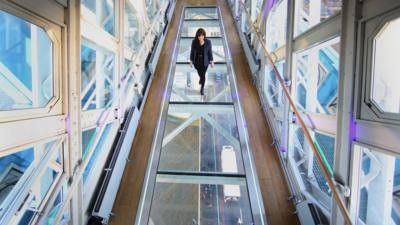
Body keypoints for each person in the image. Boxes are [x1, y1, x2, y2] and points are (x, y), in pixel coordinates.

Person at [189, 28, 214, 96]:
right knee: (200, 73)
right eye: (199, 36)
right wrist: (191, 61)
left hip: (205, 61)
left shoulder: (208, 42)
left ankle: (202, 88)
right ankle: (200, 78)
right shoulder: (194, 42)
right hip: (197, 61)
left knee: (203, 75)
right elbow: (192, 52)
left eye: (202, 35)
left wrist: (211, 61)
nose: (201, 37)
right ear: (197, 36)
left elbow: (210, 52)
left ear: (204, 36)